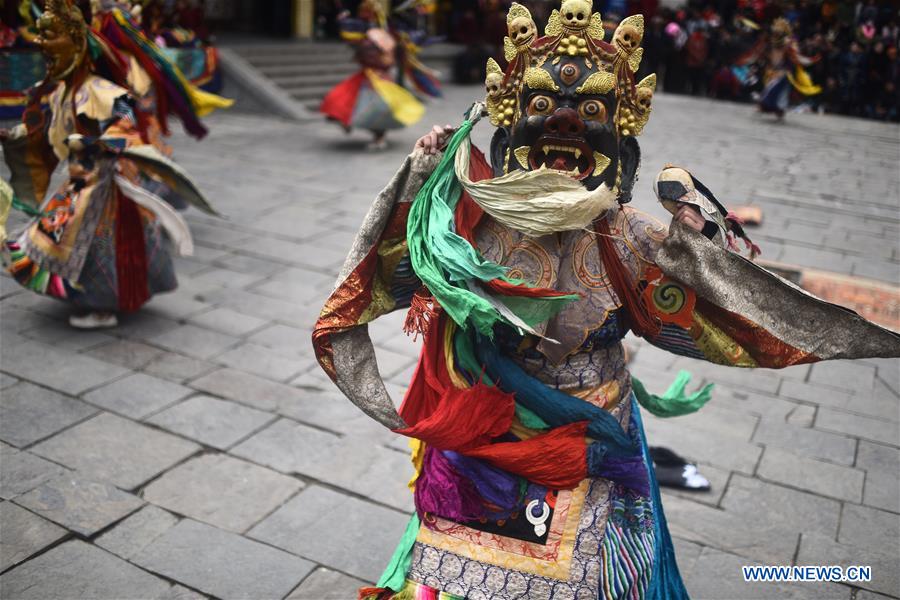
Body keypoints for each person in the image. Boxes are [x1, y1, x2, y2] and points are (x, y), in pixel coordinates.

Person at [312, 2, 900, 597]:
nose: (563, 121)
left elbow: (710, 315)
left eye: (590, 110)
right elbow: (400, 276)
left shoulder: (627, 235)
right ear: (509, 121)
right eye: (540, 106)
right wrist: (423, 183)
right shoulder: (471, 217)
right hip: (481, 431)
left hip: (589, 437)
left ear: (619, 133)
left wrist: (701, 243)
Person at [0, 0, 217, 329]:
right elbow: (45, 130)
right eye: (42, 36)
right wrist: (15, 134)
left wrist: (98, 144)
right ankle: (87, 297)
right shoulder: (61, 91)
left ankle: (102, 307)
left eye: (51, 36)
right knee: (60, 239)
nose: (41, 44)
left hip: (105, 187)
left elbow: (126, 125)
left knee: (101, 247)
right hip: (79, 183)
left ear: (75, 42)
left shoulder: (101, 91)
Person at [319, 0, 440, 150]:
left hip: (380, 79)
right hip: (367, 76)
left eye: (369, 12)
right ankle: (346, 122)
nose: (366, 15)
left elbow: (388, 57)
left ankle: (379, 138)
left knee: (380, 109)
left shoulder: (387, 34)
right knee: (340, 99)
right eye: (364, 11)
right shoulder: (364, 31)